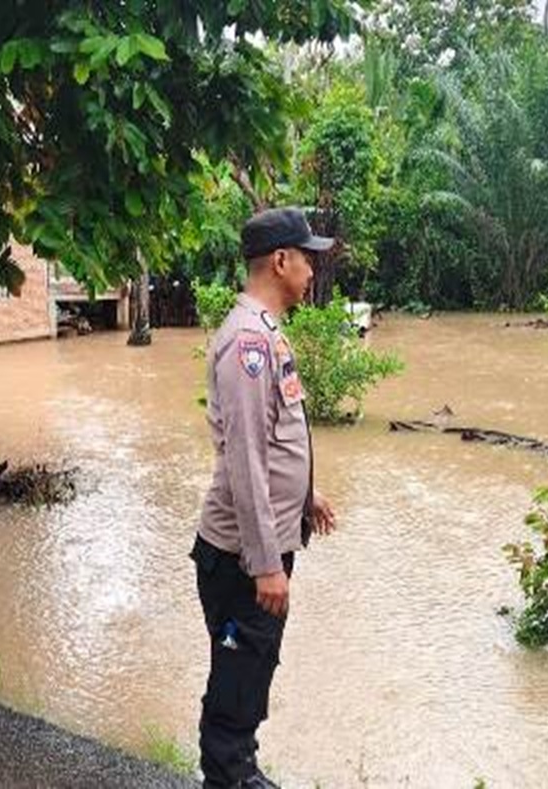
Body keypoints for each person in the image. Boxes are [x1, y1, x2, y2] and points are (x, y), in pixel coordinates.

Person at [192, 206, 339, 788]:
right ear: (280, 261)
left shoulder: (267, 334)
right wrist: (265, 566)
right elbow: (246, 460)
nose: (312, 271)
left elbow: (272, 440)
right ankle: (230, 775)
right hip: (240, 561)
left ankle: (234, 769)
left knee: (248, 671)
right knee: (237, 677)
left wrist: (305, 494)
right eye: (307, 259)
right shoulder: (249, 345)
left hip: (254, 554)